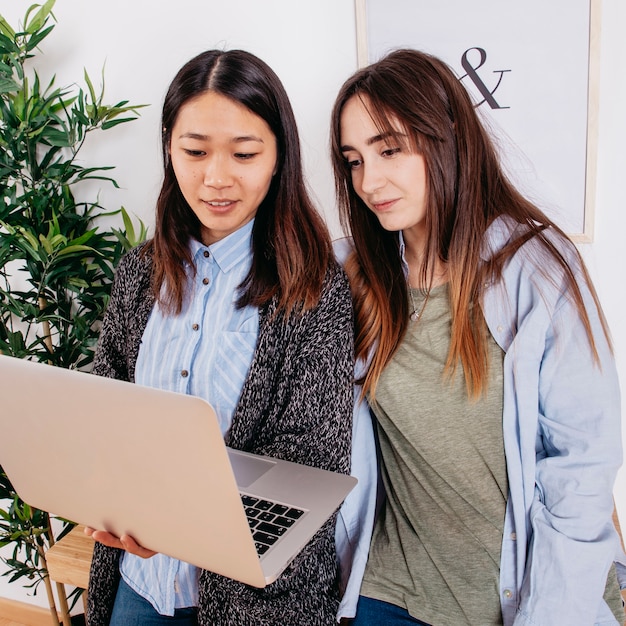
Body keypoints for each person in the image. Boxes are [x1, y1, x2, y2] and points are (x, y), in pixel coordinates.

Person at [329, 48, 625, 625]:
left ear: (446, 139)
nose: (369, 180)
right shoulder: (352, 274)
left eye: (390, 149)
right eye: (354, 160)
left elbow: (581, 465)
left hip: (528, 596)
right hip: (390, 590)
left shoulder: (534, 267)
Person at [84, 49, 355, 626]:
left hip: (256, 605)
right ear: (168, 148)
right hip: (139, 586)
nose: (216, 177)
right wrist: (100, 496)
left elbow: (309, 466)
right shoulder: (140, 273)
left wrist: (172, 523)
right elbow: (103, 407)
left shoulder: (314, 290)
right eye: (195, 150)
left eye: (244, 153)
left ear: (279, 155)